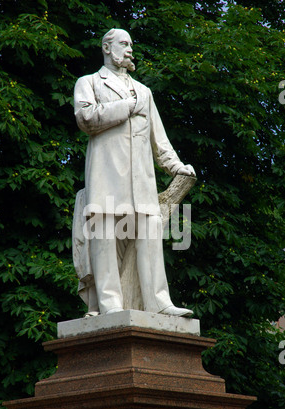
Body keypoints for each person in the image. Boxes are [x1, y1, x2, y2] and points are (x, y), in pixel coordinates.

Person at [73, 28, 196, 317]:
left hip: (141, 181)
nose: (130, 49)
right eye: (123, 44)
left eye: (131, 45)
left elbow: (159, 140)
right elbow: (86, 118)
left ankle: (160, 302)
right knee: (104, 241)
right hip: (105, 177)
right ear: (107, 47)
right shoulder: (89, 83)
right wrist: (127, 107)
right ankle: (110, 304)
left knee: (151, 236)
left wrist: (177, 166)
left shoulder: (144, 91)